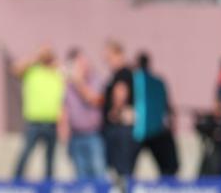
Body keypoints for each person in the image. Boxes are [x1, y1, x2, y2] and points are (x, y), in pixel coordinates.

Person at [12, 45, 65, 180]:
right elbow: (16, 69)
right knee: (26, 154)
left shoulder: (56, 74)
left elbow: (62, 100)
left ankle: (48, 186)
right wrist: (36, 56)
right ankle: (16, 181)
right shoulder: (33, 71)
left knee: (50, 159)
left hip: (51, 121)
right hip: (34, 121)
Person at [59, 49, 106, 179]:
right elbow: (64, 111)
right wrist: (63, 137)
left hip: (93, 135)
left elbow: (93, 99)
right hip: (75, 137)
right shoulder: (68, 85)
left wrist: (78, 82)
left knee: (98, 174)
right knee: (81, 177)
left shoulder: (95, 79)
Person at [132, 52, 178, 176]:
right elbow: (168, 106)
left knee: (127, 170)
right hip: (156, 129)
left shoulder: (135, 80)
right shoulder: (158, 81)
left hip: (139, 130)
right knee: (168, 168)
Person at [102, 40, 136, 177]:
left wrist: (114, 112)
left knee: (121, 169)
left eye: (109, 58)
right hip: (120, 129)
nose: (107, 62)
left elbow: (120, 93)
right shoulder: (120, 74)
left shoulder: (122, 73)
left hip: (120, 128)